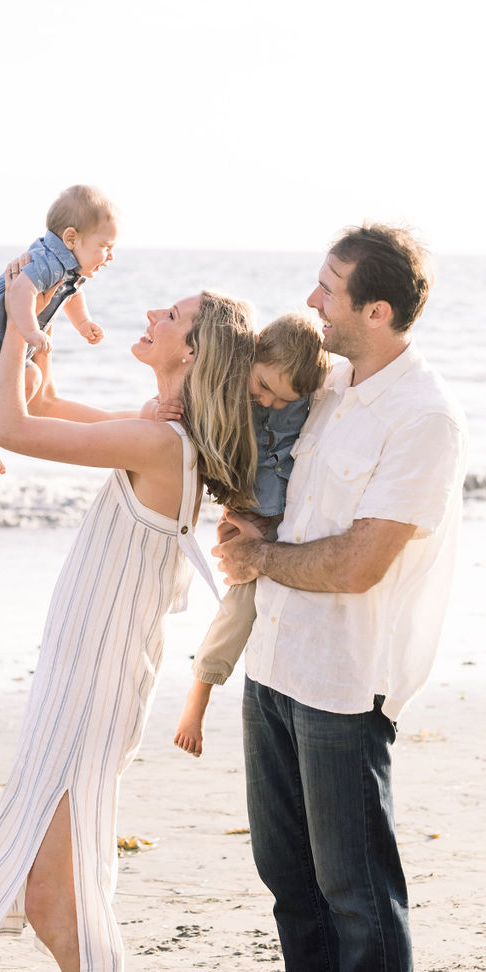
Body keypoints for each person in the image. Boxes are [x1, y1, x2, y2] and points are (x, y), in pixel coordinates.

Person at [0, 270, 257, 972]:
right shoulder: (155, 432)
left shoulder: (166, 446)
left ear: (192, 352)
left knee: (54, 895)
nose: (153, 313)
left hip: (94, 688)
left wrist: (11, 319)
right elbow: (34, 400)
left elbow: (9, 427)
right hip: (87, 679)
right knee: (74, 883)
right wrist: (30, 326)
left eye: (173, 314)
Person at [214, 224, 468, 972]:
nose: (311, 301)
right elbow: (258, 449)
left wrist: (262, 556)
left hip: (347, 680)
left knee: (357, 888)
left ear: (378, 310)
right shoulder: (324, 381)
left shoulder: (424, 417)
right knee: (288, 875)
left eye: (329, 289)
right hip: (276, 663)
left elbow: (361, 561)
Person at [174, 313, 330, 757]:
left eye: (284, 400)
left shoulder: (305, 387)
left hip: (286, 522)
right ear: (256, 350)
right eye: (264, 387)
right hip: (243, 514)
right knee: (239, 608)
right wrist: (240, 522)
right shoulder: (235, 392)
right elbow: (212, 461)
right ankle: (198, 697)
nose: (269, 402)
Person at [0, 183, 118, 475]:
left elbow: (73, 293)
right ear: (71, 238)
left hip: (4, 340)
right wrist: (29, 331)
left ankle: (9, 419)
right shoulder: (47, 261)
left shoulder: (68, 268)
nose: (110, 256)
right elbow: (21, 290)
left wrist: (83, 322)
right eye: (105, 247)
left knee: (32, 377)